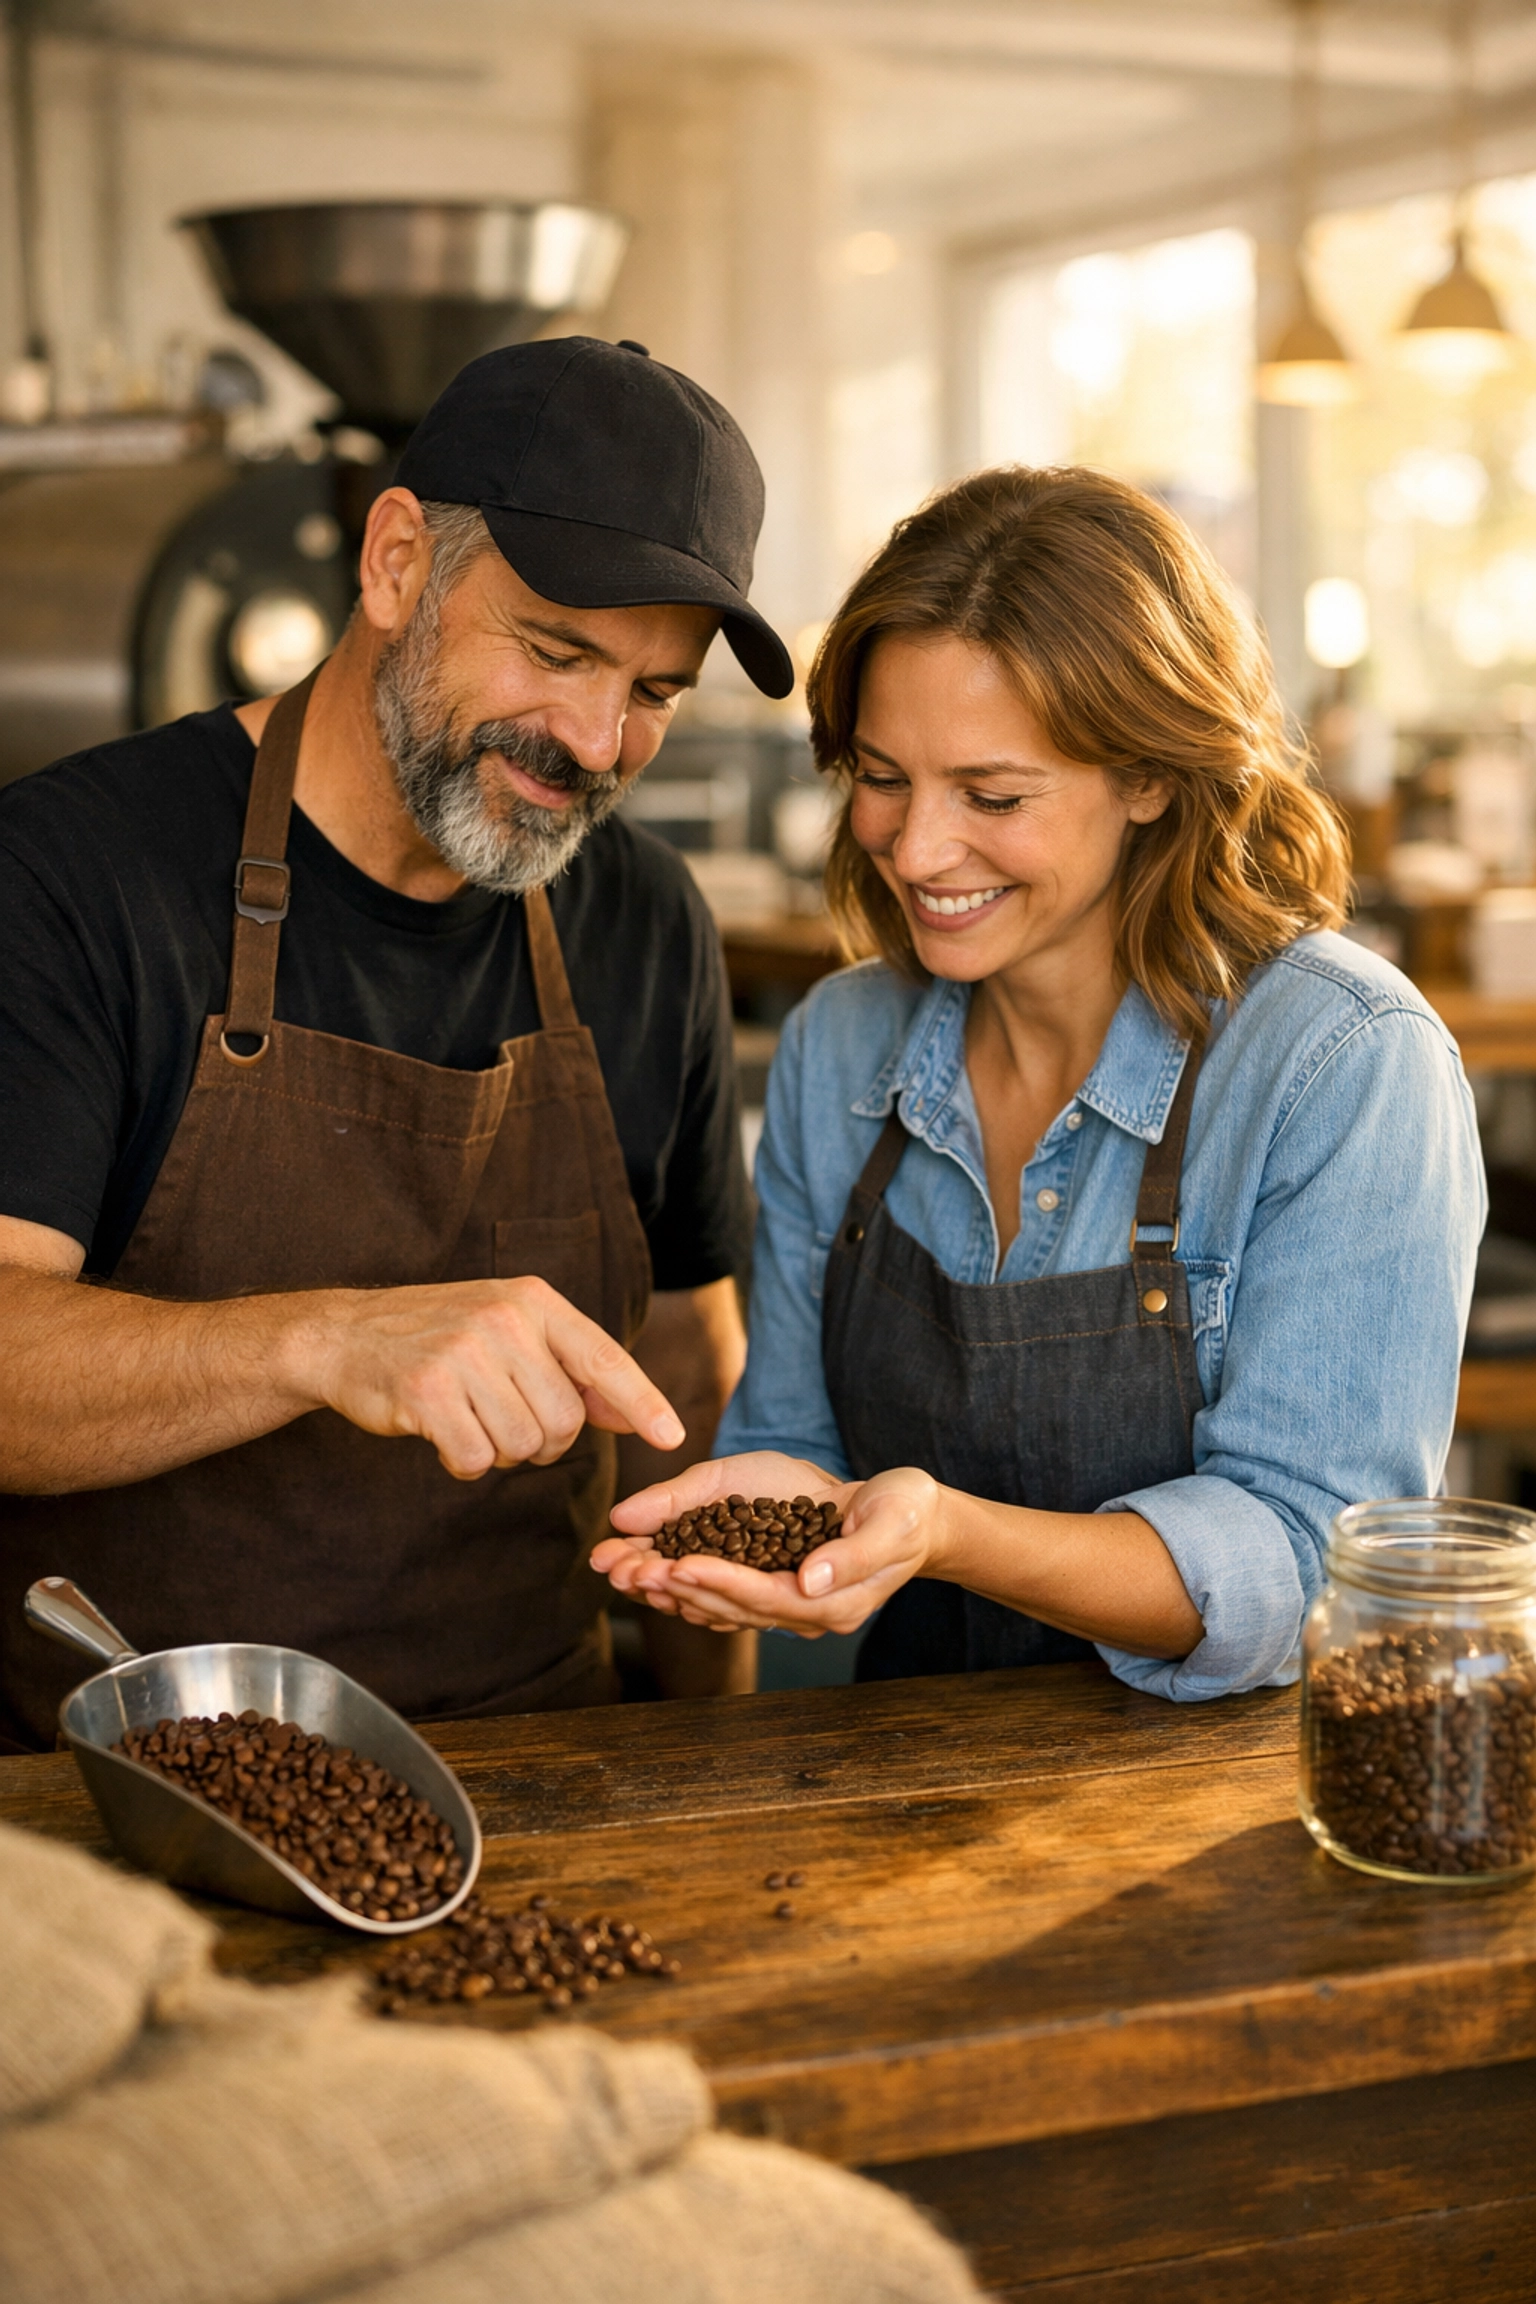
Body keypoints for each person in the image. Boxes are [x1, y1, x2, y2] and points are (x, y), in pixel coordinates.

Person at [0, 336, 796, 1751]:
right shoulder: (71, 874)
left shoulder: (645, 921)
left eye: (656, 692)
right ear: (394, 564)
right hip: (118, 1788)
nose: (596, 740)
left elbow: (683, 1382)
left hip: (548, 1758)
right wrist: (329, 1339)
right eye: (554, 650)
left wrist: (710, 1759)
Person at [595, 466, 1485, 1700]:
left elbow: (1307, 1564)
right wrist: (766, 1523)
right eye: (883, 776)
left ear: (1150, 777)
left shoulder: (1344, 1062)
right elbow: (795, 1445)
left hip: (1227, 1815)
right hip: (905, 1780)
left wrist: (949, 1532)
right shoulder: (842, 1046)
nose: (916, 850)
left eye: (993, 795)